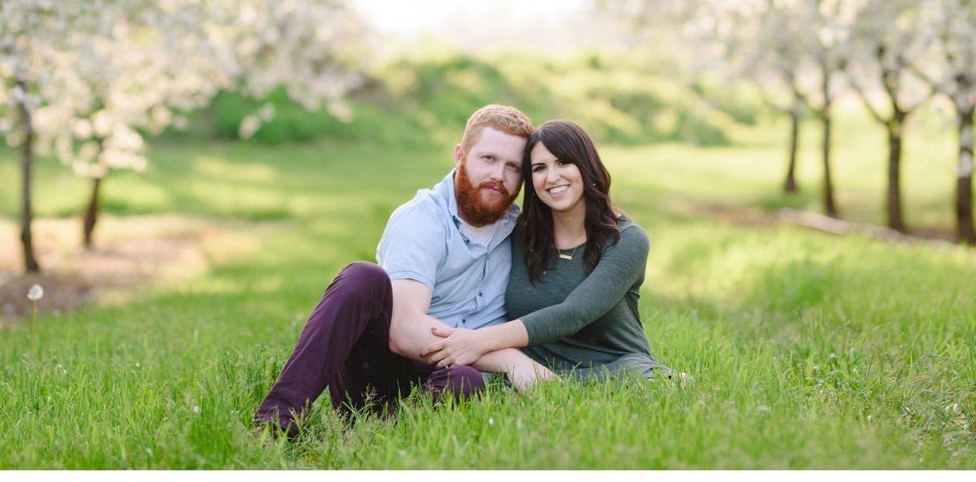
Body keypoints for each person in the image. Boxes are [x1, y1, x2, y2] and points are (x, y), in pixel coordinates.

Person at [252, 104, 554, 438]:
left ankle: (373, 437)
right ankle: (275, 424)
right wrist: (508, 359)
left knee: (465, 380)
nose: (499, 175)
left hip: (450, 382)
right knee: (362, 277)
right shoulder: (422, 219)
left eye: (513, 166)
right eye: (488, 159)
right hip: (381, 376)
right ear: (460, 155)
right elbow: (404, 332)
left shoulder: (522, 232)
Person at [421, 119, 671, 381]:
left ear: (586, 165)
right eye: (539, 168)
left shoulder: (627, 240)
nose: (552, 177)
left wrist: (476, 341)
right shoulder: (519, 234)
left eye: (563, 162)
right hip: (532, 373)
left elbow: (574, 313)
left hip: (615, 368)